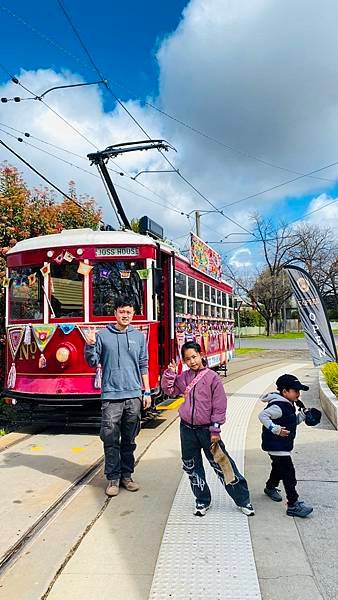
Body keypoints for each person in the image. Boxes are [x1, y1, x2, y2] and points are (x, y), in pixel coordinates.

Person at [161, 341, 254, 517]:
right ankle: (202, 500)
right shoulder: (184, 377)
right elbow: (170, 391)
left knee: (222, 463)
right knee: (192, 466)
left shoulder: (212, 378)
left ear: (201, 355)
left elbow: (219, 406)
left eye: (194, 357)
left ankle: (243, 500)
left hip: (207, 430)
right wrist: (170, 374)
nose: (192, 361)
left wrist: (215, 430)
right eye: (187, 359)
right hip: (187, 429)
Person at [84, 296, 151, 497]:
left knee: (129, 440)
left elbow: (143, 364)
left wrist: (146, 391)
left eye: (129, 312)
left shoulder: (139, 337)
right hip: (111, 396)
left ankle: (127, 476)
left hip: (133, 395)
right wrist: (89, 345)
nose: (126, 315)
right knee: (110, 439)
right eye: (122, 312)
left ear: (133, 314)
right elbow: (92, 362)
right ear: (115, 313)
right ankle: (112, 478)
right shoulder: (103, 335)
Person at [258, 373, 313, 518]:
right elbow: (262, 416)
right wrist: (275, 429)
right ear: (285, 392)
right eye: (295, 391)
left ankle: (270, 487)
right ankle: (293, 505)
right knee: (289, 474)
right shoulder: (278, 406)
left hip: (280, 445)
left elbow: (290, 422)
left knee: (278, 468)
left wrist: (302, 416)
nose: (298, 394)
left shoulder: (287, 405)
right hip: (277, 445)